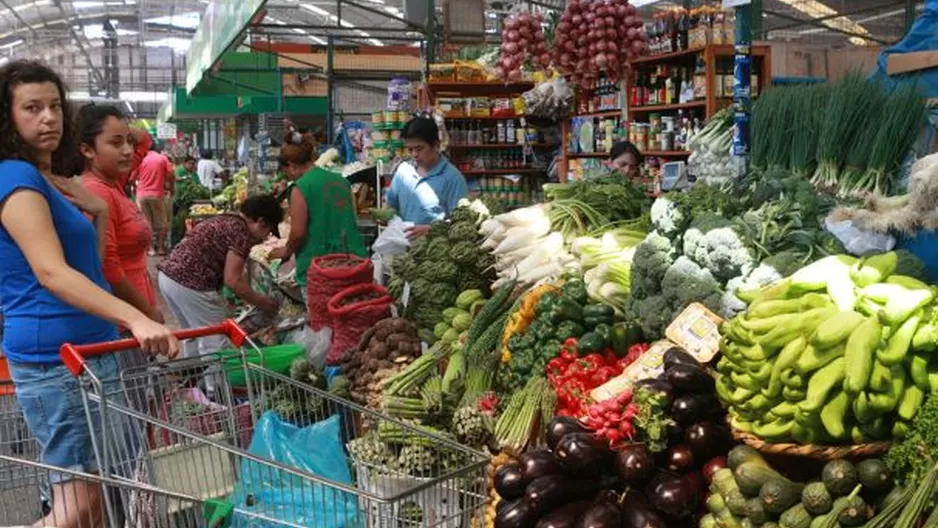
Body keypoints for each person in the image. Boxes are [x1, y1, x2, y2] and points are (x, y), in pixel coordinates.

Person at [0, 60, 177, 528]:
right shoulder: (13, 180)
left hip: (89, 352)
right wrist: (138, 318)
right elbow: (52, 273)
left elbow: (90, 268)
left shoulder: (45, 181)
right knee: (75, 506)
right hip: (56, 361)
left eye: (55, 105)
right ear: (8, 117)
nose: (48, 118)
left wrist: (97, 211)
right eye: (32, 108)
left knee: (93, 503)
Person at [157, 195, 281, 360]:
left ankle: (194, 378)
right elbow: (233, 280)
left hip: (169, 277)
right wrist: (264, 303)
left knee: (193, 334)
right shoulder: (242, 233)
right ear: (261, 222)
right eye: (268, 232)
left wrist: (246, 295)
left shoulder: (229, 220)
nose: (264, 238)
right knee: (215, 343)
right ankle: (215, 386)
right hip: (191, 283)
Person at [76, 104, 163, 324]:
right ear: (87, 150)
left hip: (133, 314)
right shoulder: (97, 192)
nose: (127, 150)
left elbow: (144, 141)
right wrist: (147, 314)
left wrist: (117, 126)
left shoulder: (113, 181)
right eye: (116, 143)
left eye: (128, 142)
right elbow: (108, 267)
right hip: (125, 319)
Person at [268, 137, 366, 301]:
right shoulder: (341, 181)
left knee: (323, 324)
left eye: (286, 171)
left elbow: (298, 233)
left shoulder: (300, 188)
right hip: (354, 263)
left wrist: (285, 251)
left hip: (321, 268)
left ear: (291, 166)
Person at [387, 117, 468, 239]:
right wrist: (384, 216)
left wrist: (430, 230)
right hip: (402, 249)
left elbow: (462, 225)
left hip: (435, 252)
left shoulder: (453, 179)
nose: (414, 154)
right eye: (410, 149)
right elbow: (391, 205)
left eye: (419, 148)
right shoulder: (403, 171)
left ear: (436, 145)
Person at [134, 143, 173, 255]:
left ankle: (150, 249)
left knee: (146, 223)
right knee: (162, 222)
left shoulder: (140, 160)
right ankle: (160, 248)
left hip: (141, 195)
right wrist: (171, 187)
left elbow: (132, 177)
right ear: (157, 149)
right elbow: (171, 174)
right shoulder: (162, 158)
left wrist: (136, 187)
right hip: (157, 194)